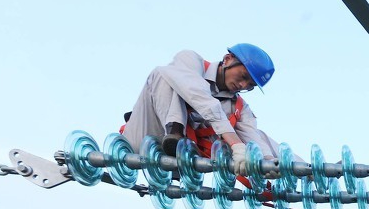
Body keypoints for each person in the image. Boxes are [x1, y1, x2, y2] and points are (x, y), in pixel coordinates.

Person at [121, 44, 283, 166]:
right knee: (164, 74)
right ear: (227, 59)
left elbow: (254, 138)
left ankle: (308, 173)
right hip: (143, 138)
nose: (243, 85)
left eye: (250, 85)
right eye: (243, 76)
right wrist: (235, 143)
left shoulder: (240, 108)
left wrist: (267, 162)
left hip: (181, 160)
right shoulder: (190, 60)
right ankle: (175, 134)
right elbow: (199, 95)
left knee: (263, 140)